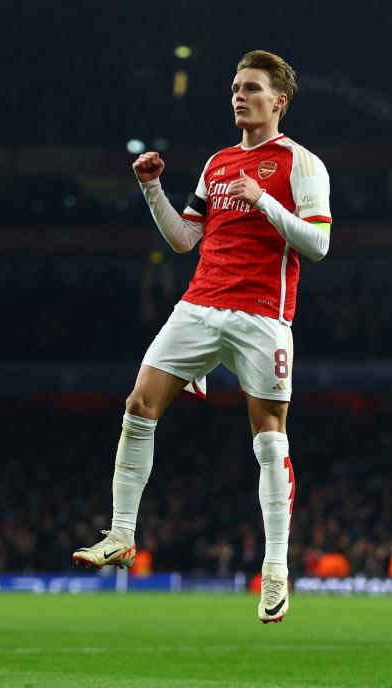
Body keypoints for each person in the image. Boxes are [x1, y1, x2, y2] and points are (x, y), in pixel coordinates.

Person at [73, 50, 332, 624]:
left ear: (279, 101)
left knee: (269, 438)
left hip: (263, 315)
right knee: (138, 405)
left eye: (252, 88)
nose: (239, 95)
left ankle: (274, 567)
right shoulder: (217, 163)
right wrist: (152, 189)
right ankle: (121, 534)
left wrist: (263, 200)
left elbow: (317, 245)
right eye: (236, 87)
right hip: (198, 305)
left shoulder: (301, 163)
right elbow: (184, 239)